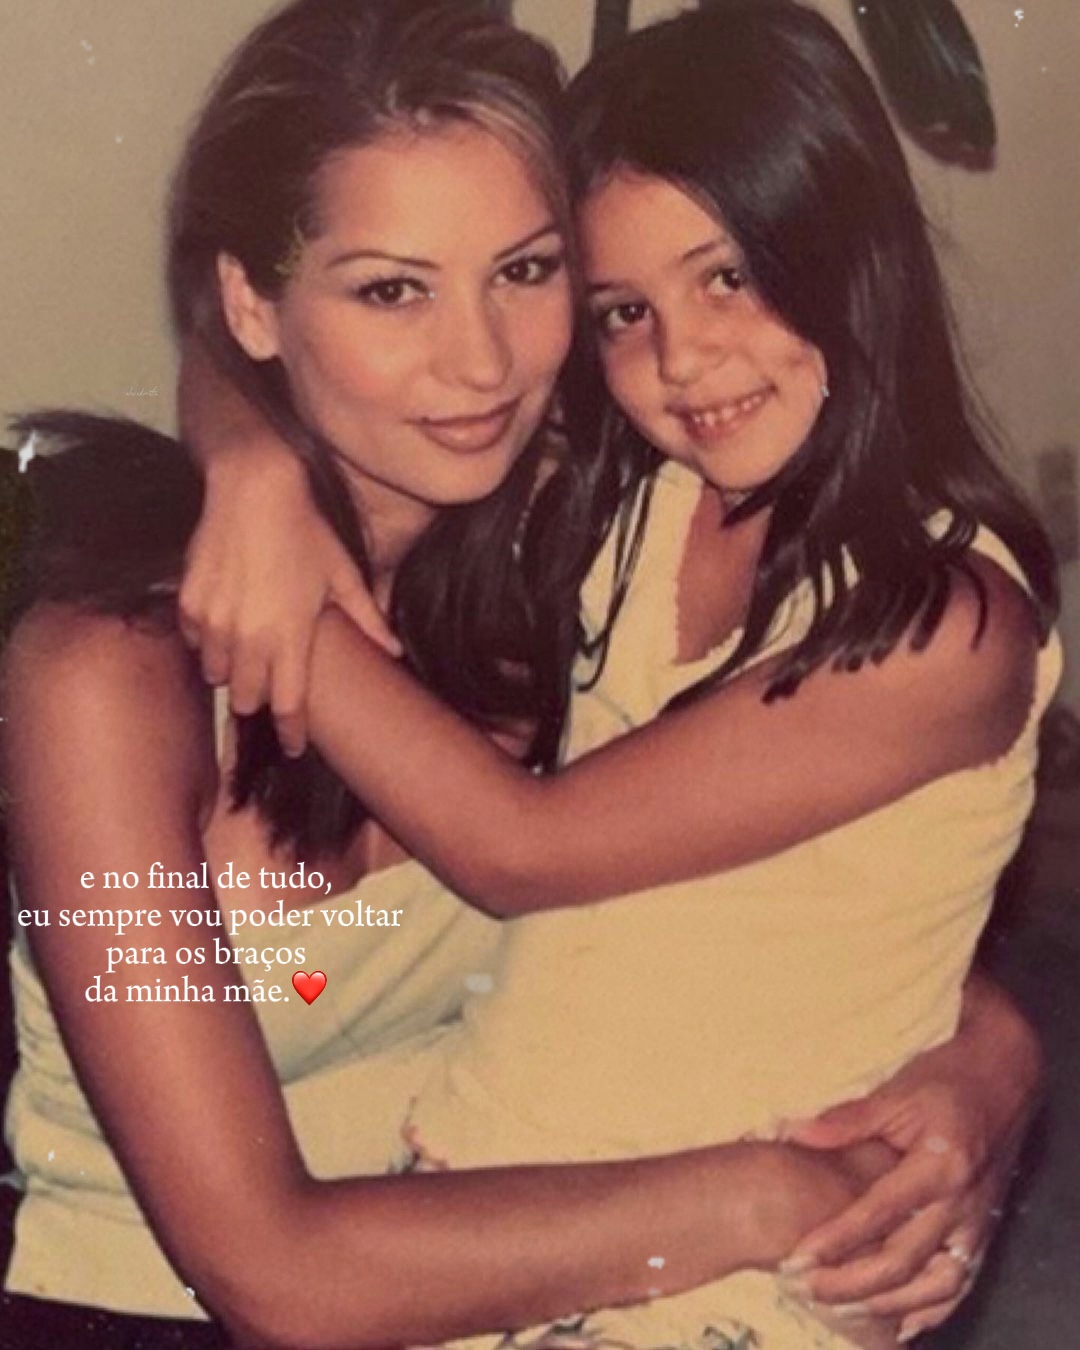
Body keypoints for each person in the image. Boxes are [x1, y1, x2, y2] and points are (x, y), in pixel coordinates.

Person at [2, 3, 1040, 1348]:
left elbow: (776, 903)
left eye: (526, 271)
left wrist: (992, 1058)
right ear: (251, 303)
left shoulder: (585, 560)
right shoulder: (101, 684)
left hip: (533, 1277)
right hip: (158, 1313)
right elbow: (275, 1275)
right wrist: (765, 1196)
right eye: (392, 290)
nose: (482, 362)